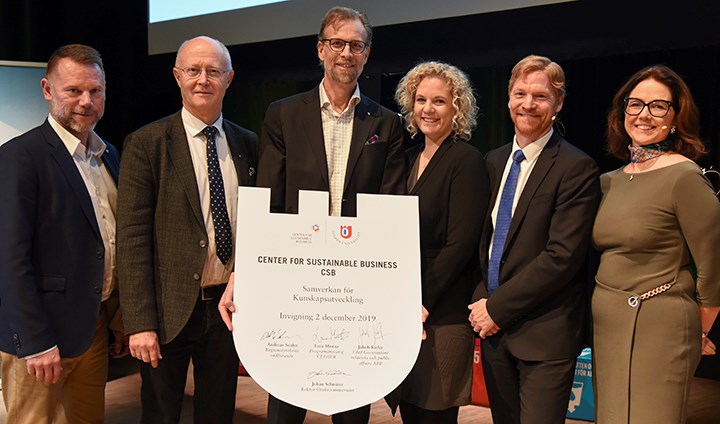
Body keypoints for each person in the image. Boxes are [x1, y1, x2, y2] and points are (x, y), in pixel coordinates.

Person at [219, 6, 404, 424]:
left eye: (355, 45)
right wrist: (245, 270)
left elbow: (389, 209)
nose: (346, 53)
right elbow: (267, 199)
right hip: (295, 281)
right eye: (337, 43)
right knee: (286, 398)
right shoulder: (283, 114)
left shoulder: (386, 123)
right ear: (320, 49)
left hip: (358, 285)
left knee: (352, 399)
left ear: (367, 54)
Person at [117, 36, 258, 423]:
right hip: (166, 312)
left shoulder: (249, 144)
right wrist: (140, 323)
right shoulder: (147, 144)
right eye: (193, 70)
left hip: (228, 310)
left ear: (229, 79)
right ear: (177, 76)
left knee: (218, 413)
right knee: (160, 415)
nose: (203, 80)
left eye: (213, 71)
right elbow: (131, 240)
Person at [468, 54, 600, 424]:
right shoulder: (492, 162)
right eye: (520, 93)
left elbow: (562, 257)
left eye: (540, 96)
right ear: (508, 98)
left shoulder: (577, 168)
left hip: (546, 334)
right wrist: (482, 301)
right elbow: (483, 246)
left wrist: (496, 307)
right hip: (494, 333)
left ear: (558, 104)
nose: (528, 104)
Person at [0, 44, 125, 424]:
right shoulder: (20, 157)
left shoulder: (110, 155)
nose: (86, 102)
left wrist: (116, 315)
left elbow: (110, 242)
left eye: (95, 91)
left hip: (94, 330)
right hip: (40, 341)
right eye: (73, 90)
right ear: (47, 90)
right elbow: (9, 257)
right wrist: (35, 342)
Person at [592, 65, 720, 423]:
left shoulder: (685, 176)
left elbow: (713, 264)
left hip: (662, 324)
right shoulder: (608, 181)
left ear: (676, 117)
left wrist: (699, 330)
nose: (644, 115)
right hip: (607, 321)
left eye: (658, 106)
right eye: (635, 104)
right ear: (622, 113)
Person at [390, 61, 489, 423]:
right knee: (412, 414)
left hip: (442, 313)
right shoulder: (405, 159)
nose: (427, 110)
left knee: (434, 416)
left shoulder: (467, 160)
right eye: (420, 100)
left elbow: (460, 246)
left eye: (439, 102)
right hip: (406, 311)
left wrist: (419, 300)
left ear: (457, 108)